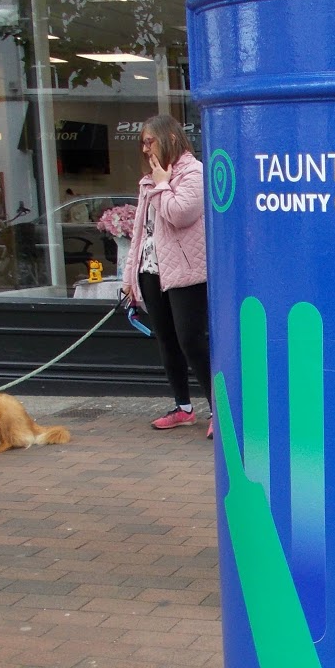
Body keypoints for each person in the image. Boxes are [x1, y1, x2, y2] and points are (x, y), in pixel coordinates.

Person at [122, 116, 213, 436]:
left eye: (151, 141)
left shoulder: (194, 172)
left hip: (187, 272)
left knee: (191, 339)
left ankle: (219, 409)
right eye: (142, 143)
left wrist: (162, 183)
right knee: (167, 340)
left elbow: (179, 214)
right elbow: (140, 232)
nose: (146, 149)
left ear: (171, 137)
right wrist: (129, 276)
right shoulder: (149, 181)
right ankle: (182, 407)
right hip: (152, 270)